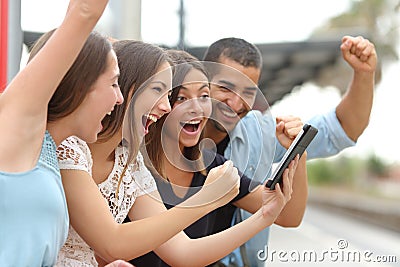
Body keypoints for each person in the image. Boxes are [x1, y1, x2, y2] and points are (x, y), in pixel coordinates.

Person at [51, 39, 261, 267]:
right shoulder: (69, 149)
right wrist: (208, 198)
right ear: (127, 87)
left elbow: (182, 251)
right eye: (159, 91)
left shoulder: (129, 161)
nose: (166, 107)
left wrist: (264, 217)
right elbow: (112, 244)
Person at [202, 36, 377, 266]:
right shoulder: (171, 140)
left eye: (248, 92)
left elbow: (341, 129)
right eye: (226, 88)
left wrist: (364, 74)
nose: (235, 103)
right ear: (201, 82)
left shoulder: (260, 132)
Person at [129, 49, 307, 267]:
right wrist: (209, 197)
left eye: (204, 96)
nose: (196, 108)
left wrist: (298, 150)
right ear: (161, 103)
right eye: (182, 98)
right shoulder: (132, 167)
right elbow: (180, 254)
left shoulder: (213, 166)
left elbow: (289, 216)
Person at [0, 0, 131, 265]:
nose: (120, 99)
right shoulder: (18, 129)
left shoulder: (46, 149)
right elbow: (84, 11)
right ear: (81, 84)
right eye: (114, 83)